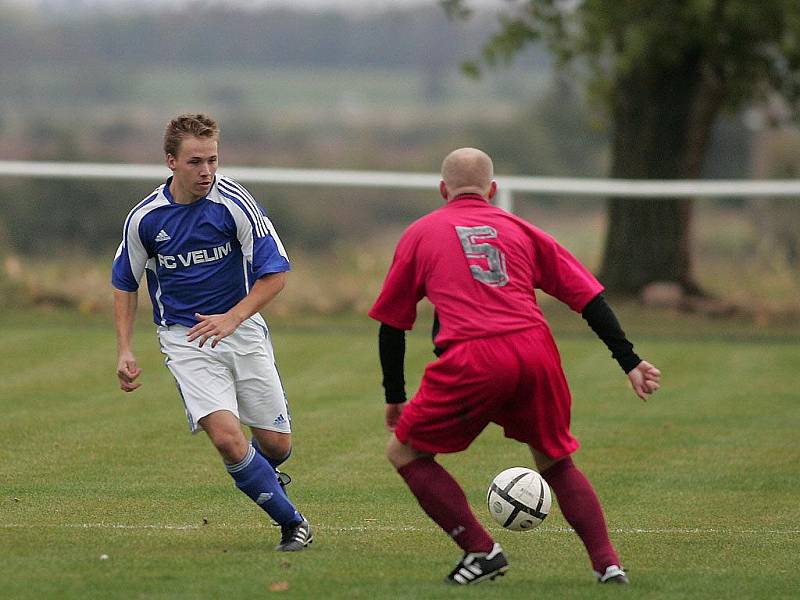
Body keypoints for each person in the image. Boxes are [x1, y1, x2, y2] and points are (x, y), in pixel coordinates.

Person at [369, 147, 661, 585]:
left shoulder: (421, 233)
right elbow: (589, 298)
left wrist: (395, 396)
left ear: (443, 190)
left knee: (404, 451)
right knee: (557, 461)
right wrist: (630, 361)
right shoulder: (521, 229)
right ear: (492, 190)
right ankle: (608, 565)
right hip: (536, 351)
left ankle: (482, 552)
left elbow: (392, 324)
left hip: (474, 356)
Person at [111, 113, 312, 552]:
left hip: (240, 330)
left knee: (276, 447)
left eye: (213, 160)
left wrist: (232, 318)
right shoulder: (145, 219)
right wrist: (125, 348)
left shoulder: (234, 203)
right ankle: (292, 523)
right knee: (226, 437)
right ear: (170, 162)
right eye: (195, 162)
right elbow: (126, 281)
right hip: (186, 339)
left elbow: (275, 275)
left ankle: (265, 476)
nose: (206, 171)